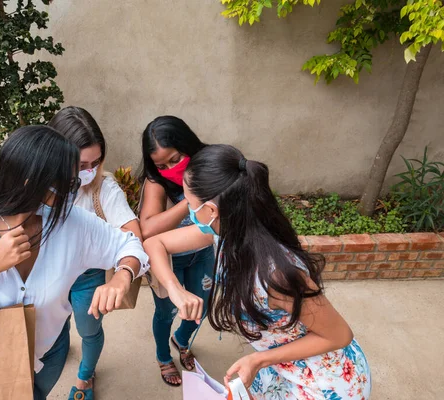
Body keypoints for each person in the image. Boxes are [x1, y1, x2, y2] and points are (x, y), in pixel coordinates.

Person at [0, 126, 149, 400]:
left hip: (46, 358)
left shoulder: (69, 224)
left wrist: (122, 276)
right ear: (29, 180)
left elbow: (130, 243)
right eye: (67, 183)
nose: (73, 191)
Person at [143, 144, 371, 399]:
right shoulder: (224, 233)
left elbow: (339, 335)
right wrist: (176, 291)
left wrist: (260, 360)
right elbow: (154, 243)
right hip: (279, 366)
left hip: (323, 382)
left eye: (189, 202)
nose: (187, 209)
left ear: (210, 211)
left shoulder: (277, 275)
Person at [48, 106, 142, 400]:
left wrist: (121, 276)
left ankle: (85, 376)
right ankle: (59, 351)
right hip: (49, 272)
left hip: (88, 278)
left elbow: (133, 234)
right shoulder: (40, 185)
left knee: (88, 330)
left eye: (95, 161)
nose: (88, 171)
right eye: (80, 164)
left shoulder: (105, 188)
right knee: (53, 326)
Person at [138, 116, 215, 386]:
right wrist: (189, 197)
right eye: (161, 165)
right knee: (166, 312)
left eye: (175, 159)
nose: (169, 168)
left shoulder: (209, 165)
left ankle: (180, 340)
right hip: (168, 260)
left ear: (188, 147)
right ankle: (163, 356)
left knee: (200, 307)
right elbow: (148, 229)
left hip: (202, 252)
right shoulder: (156, 182)